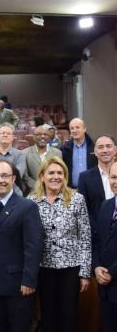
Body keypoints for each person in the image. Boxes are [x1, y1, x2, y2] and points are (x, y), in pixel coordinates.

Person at [28, 156, 92, 332]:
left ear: (65, 176)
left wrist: (85, 273)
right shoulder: (31, 201)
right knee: (47, 315)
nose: (55, 176)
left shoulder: (77, 199)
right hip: (43, 268)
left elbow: (85, 237)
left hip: (70, 269)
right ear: (42, 176)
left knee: (68, 315)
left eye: (60, 173)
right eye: (51, 173)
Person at [0, 160, 43, 332]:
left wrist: (29, 280)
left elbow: (34, 246)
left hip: (18, 286)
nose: (0, 180)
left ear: (13, 178)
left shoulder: (27, 207)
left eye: (5, 175)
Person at [92, 161, 117, 332]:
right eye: (114, 177)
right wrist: (96, 266)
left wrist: (111, 272)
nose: (116, 181)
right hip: (106, 289)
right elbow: (98, 240)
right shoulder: (106, 206)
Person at [78, 135, 117, 227]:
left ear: (115, 150)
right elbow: (84, 209)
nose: (105, 150)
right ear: (95, 152)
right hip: (97, 235)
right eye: (100, 147)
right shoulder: (85, 177)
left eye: (108, 146)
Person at [22, 125, 62, 192]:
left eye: (45, 134)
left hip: (53, 191)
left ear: (49, 137)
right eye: (39, 134)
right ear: (34, 137)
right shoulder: (24, 153)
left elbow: (59, 173)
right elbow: (25, 177)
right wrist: (39, 187)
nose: (42, 136)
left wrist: (50, 187)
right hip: (33, 191)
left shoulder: (57, 153)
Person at [61, 117, 97, 188]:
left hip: (92, 188)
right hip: (71, 190)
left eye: (77, 127)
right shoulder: (64, 149)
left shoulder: (95, 147)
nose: (74, 130)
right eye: (72, 128)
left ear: (84, 129)